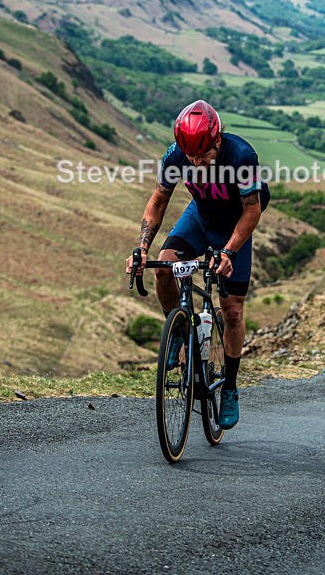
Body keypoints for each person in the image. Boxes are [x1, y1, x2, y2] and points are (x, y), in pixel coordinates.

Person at [126, 100, 270, 429]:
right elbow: (158, 201)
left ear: (217, 141)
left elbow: (252, 210)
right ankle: (179, 330)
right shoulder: (176, 155)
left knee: (232, 312)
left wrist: (229, 252)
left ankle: (229, 386)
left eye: (202, 156)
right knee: (164, 268)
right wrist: (142, 248)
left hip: (234, 224)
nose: (195, 163)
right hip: (201, 217)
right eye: (190, 157)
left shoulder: (241, 157)